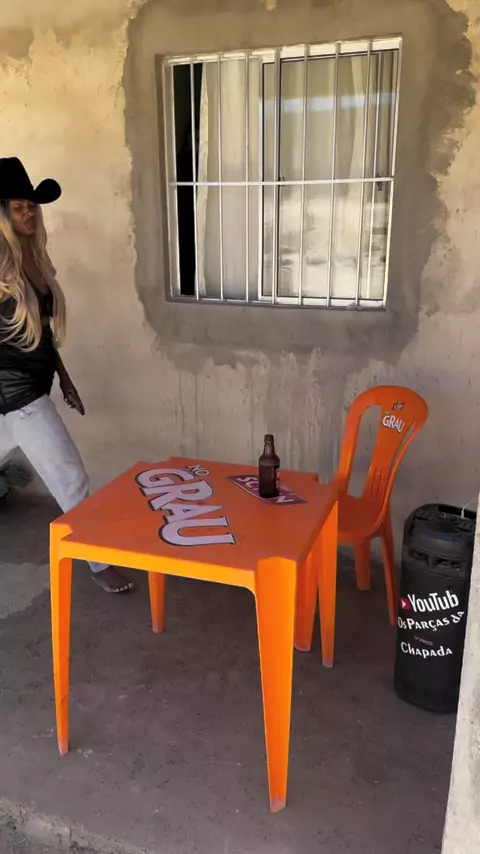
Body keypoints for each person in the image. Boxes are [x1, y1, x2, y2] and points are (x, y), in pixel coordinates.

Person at [0, 157, 133, 593]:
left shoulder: (34, 261)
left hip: (32, 387)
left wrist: (65, 377)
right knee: (70, 477)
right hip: (17, 396)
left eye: (32, 206)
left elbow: (41, 336)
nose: (29, 212)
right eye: (18, 206)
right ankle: (99, 564)